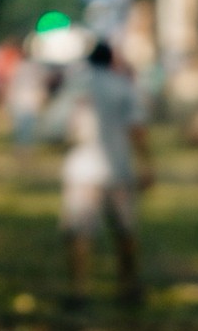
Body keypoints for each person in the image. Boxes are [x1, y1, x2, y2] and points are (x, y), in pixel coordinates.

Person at [55, 40, 151, 308]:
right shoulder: (123, 87)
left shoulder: (76, 87)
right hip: (117, 169)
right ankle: (128, 285)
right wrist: (147, 164)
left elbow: (56, 125)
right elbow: (137, 129)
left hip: (81, 170)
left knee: (79, 233)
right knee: (125, 231)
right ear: (111, 61)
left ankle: (79, 290)